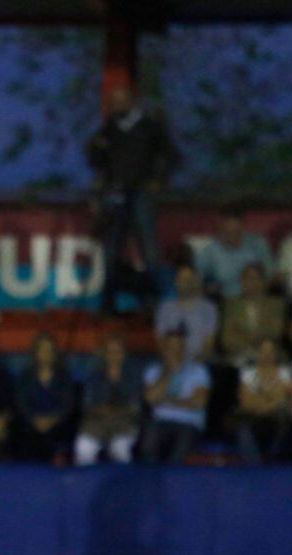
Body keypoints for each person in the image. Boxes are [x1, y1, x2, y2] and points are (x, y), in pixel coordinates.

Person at [87, 87, 179, 312]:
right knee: (111, 247)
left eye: (120, 101)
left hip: (140, 192)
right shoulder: (109, 128)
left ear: (131, 101)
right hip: (115, 192)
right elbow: (95, 157)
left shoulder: (149, 126)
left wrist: (159, 180)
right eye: (113, 102)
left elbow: (171, 155)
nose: (116, 106)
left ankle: (155, 297)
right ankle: (108, 299)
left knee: (148, 247)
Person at [140, 330, 211, 464]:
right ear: (164, 347)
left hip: (188, 423)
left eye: (178, 345)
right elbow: (150, 399)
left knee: (178, 452)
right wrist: (169, 372)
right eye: (170, 346)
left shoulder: (198, 370)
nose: (174, 350)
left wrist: (166, 401)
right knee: (148, 444)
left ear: (184, 348)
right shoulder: (153, 370)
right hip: (160, 422)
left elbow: (199, 402)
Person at [74, 334, 142, 465]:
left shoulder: (133, 375)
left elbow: (135, 407)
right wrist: (101, 411)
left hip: (124, 423)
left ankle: (122, 484)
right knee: (83, 447)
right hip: (96, 422)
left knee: (120, 449)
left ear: (124, 353)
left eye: (118, 351)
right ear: (104, 354)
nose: (114, 355)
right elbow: (87, 405)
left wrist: (116, 412)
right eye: (110, 352)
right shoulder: (94, 374)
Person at [12, 333, 75, 462]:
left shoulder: (64, 377)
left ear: (54, 353)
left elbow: (67, 405)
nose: (46, 354)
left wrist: (52, 420)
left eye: (49, 350)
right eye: (42, 350)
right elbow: (21, 404)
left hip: (58, 426)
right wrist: (35, 420)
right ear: (35, 352)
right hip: (31, 426)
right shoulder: (25, 377)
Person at [193, 205, 273, 299]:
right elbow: (194, 281)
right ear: (220, 228)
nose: (232, 237)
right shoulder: (209, 252)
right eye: (227, 233)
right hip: (224, 301)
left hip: (257, 300)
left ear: (243, 227)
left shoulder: (258, 244)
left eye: (236, 232)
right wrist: (208, 289)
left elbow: (272, 275)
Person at [233, 338, 290, 464]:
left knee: (285, 422)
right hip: (254, 418)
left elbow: (287, 401)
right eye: (263, 351)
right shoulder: (248, 374)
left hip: (279, 419)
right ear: (257, 353)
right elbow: (246, 402)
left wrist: (261, 400)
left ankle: (273, 465)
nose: (267, 356)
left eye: (270, 352)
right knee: (242, 428)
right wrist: (273, 398)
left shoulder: (286, 374)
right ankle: (255, 468)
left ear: (276, 354)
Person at [219, 263, 285, 367]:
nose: (250, 282)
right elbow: (227, 339)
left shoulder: (276, 305)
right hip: (240, 355)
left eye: (254, 278)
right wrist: (251, 347)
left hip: (271, 355)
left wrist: (244, 336)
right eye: (247, 278)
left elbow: (275, 332)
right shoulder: (231, 305)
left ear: (264, 281)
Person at [154, 264, 218, 362]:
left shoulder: (208, 308)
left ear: (196, 281)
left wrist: (194, 365)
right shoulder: (165, 308)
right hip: (171, 362)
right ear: (176, 281)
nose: (186, 283)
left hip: (198, 363)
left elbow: (209, 344)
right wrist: (172, 362)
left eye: (189, 279)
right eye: (182, 279)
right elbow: (161, 341)